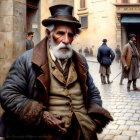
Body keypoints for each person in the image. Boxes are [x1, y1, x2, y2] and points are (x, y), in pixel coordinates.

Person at [0, 4, 113, 140]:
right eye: (60, 33)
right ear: (49, 34)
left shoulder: (81, 61)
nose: (65, 40)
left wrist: (95, 118)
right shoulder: (26, 61)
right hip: (46, 134)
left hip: (83, 133)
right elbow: (8, 95)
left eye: (70, 35)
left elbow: (93, 92)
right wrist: (41, 115)